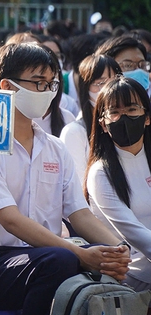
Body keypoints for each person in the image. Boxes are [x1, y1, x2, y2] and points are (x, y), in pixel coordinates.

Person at [0, 43, 131, 314]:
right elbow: (9, 219)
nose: (47, 92)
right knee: (63, 259)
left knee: (84, 256)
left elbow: (79, 213)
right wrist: (80, 255)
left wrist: (116, 248)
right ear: (7, 86)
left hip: (44, 254)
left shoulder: (54, 147)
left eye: (51, 84)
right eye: (38, 83)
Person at [85, 76, 151, 291]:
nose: (123, 118)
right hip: (133, 275)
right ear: (103, 124)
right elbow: (134, 233)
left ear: (147, 117)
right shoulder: (101, 173)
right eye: (115, 112)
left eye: (132, 110)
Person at [60, 54, 121, 184]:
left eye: (115, 81)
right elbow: (78, 187)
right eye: (100, 83)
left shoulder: (127, 123)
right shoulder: (74, 132)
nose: (109, 88)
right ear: (85, 88)